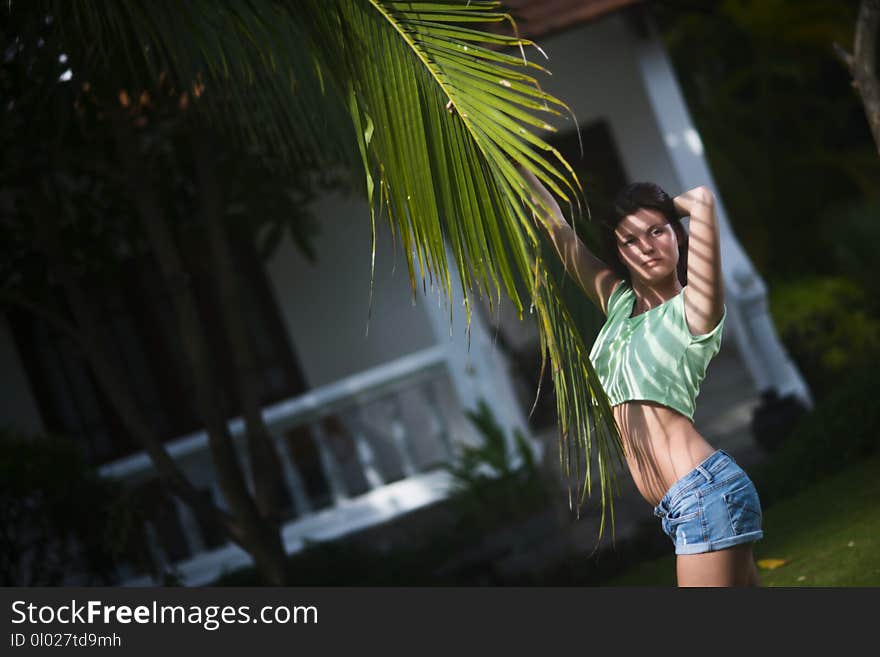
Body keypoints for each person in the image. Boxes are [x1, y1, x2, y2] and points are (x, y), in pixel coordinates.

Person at [521, 168, 764, 587]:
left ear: (679, 236)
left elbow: (702, 202)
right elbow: (555, 225)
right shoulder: (617, 305)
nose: (645, 247)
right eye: (630, 240)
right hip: (680, 503)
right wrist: (502, 148)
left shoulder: (695, 307)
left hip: (702, 494)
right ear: (619, 252)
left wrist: (689, 204)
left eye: (657, 232)